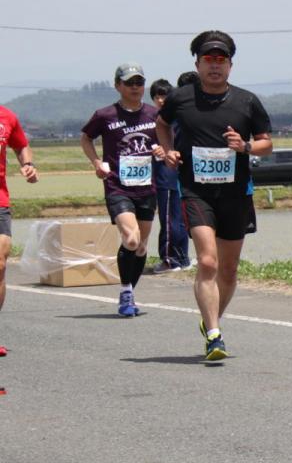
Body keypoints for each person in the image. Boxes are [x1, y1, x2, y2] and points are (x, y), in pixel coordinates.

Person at [156, 31, 272, 361]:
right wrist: (169, 151)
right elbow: (161, 125)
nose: (215, 66)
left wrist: (246, 145)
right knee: (208, 260)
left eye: (221, 60)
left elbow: (267, 143)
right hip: (195, 190)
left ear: (231, 66)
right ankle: (215, 336)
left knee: (229, 271)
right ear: (197, 63)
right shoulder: (181, 98)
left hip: (236, 192)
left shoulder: (247, 101)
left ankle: (210, 321)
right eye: (209, 60)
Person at [80, 63, 160, 316]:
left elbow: (165, 140)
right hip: (117, 185)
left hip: (147, 186)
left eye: (139, 82)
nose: (135, 87)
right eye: (129, 83)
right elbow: (85, 137)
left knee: (141, 246)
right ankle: (125, 291)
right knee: (131, 238)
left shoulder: (154, 114)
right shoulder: (105, 115)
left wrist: (161, 150)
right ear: (118, 86)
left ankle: (130, 294)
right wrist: (96, 162)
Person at [0, 104, 38, 357]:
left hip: (0, 200)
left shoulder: (7, 116)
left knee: (0, 263)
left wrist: (28, 163)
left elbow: (21, 144)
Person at [148, 78, 190, 273]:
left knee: (173, 219)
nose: (161, 100)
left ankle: (171, 260)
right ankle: (179, 259)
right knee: (173, 218)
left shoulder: (172, 118)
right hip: (166, 174)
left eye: (164, 95)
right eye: (157, 96)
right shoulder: (153, 118)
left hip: (171, 174)